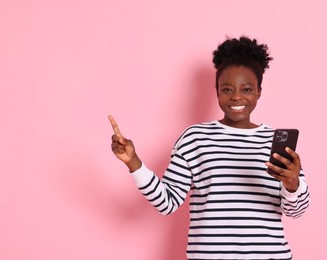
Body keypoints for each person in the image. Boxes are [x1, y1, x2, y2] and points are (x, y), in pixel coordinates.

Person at [109, 36, 310, 260]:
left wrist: (293, 184)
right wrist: (133, 161)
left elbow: (297, 211)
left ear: (258, 92)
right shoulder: (195, 138)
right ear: (216, 91)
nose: (236, 96)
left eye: (246, 89)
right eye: (227, 89)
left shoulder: (275, 143)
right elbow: (167, 202)